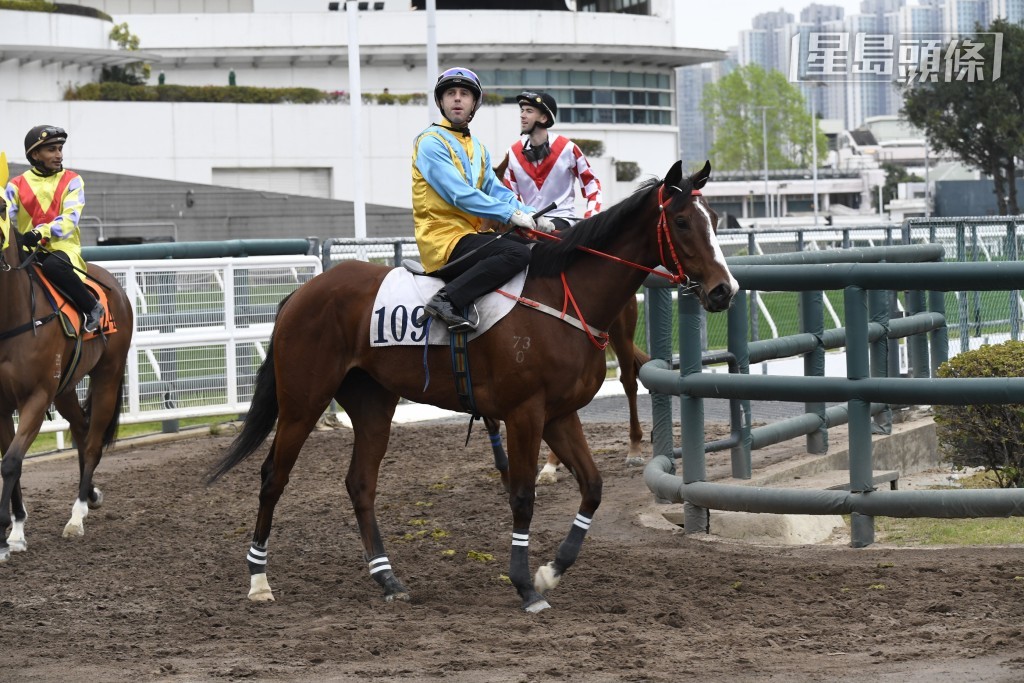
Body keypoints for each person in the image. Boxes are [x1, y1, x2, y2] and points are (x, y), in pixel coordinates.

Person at [412, 67, 556, 332]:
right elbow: (459, 194)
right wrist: (509, 215)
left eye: (464, 94)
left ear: (474, 103)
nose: (457, 99)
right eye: (451, 94)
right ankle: (446, 300)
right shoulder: (430, 142)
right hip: (442, 240)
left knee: (534, 249)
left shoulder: (478, 147)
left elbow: (495, 189)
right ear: (441, 102)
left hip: (469, 235)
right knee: (516, 252)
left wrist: (533, 214)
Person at [4, 125, 105, 333]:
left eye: (60, 149)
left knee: (53, 266)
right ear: (35, 154)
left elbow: (70, 219)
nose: (58, 155)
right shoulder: (16, 185)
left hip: (63, 249)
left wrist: (40, 232)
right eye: (52, 150)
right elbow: (4, 216)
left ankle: (92, 306)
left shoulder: (73, 181)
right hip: (29, 251)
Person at [503, 91, 603, 230]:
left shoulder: (568, 148)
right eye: (522, 111)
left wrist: (590, 220)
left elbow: (592, 186)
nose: (522, 115)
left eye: (529, 111)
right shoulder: (512, 153)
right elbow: (509, 196)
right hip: (528, 223)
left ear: (544, 118)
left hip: (563, 223)